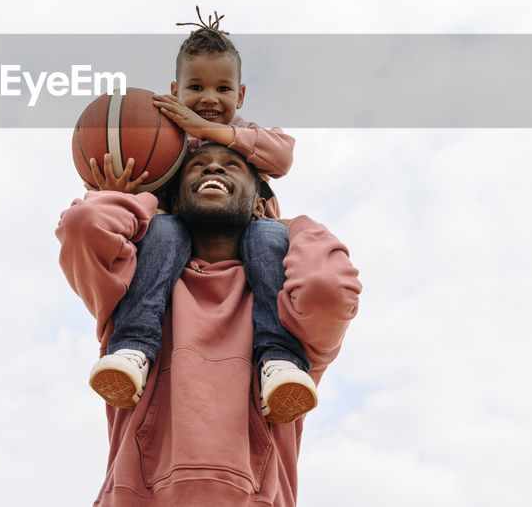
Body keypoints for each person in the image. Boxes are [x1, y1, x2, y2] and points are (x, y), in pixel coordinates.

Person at [57, 143, 361, 506]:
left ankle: (273, 363)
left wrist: (296, 227)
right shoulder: (134, 292)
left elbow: (328, 289)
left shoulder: (287, 313)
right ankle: (135, 350)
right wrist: (135, 201)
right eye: (197, 166)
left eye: (231, 165)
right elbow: (83, 227)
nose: (213, 169)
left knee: (286, 358)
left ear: (259, 204)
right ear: (175, 199)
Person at [81, 9, 312, 423]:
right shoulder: (163, 135)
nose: (209, 98)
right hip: (179, 247)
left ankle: (279, 361)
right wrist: (113, 191)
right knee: (165, 228)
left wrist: (210, 132)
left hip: (245, 241)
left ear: (240, 96)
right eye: (196, 86)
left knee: (267, 238)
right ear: (175, 89)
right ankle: (133, 347)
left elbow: (282, 156)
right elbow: (143, 196)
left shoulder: (244, 132)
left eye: (223, 88)